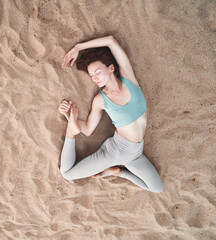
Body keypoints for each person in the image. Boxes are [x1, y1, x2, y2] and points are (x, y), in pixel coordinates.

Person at [58, 36, 163, 193]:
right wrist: (68, 115)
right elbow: (87, 130)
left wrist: (78, 48)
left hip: (136, 153)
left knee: (157, 188)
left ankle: (118, 171)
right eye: (92, 75)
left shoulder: (129, 79)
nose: (95, 78)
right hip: (116, 152)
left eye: (98, 72)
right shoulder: (101, 100)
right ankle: (70, 133)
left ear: (111, 68)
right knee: (67, 174)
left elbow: (110, 41)